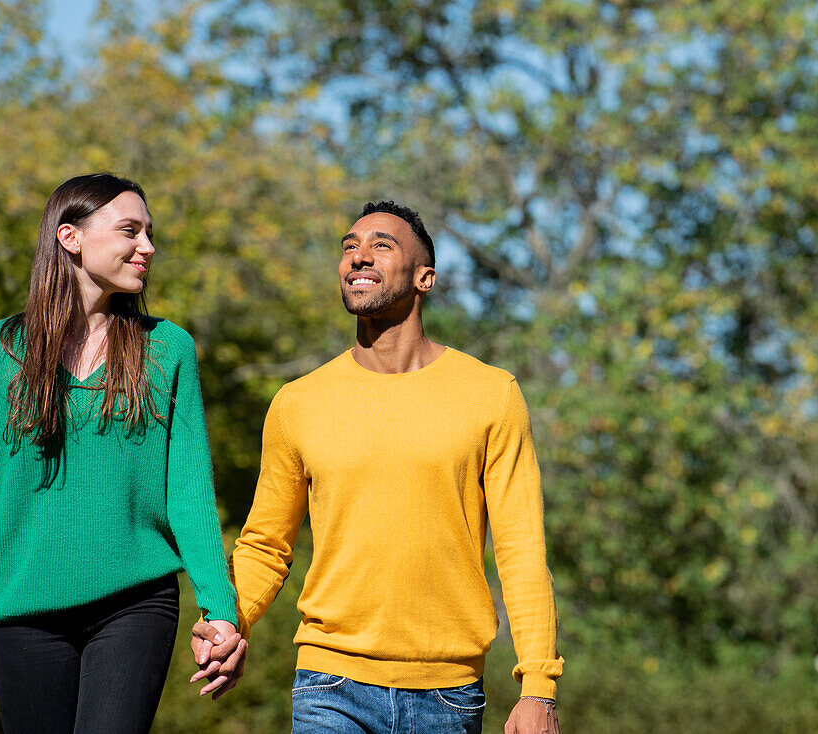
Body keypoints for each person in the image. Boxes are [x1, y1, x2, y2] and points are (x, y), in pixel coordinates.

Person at [191, 201, 563, 733]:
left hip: (450, 696)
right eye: (349, 247)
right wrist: (229, 618)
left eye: (381, 246)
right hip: (329, 685)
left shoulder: (491, 395)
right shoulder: (299, 403)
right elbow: (266, 546)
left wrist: (538, 688)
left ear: (424, 278)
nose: (358, 257)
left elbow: (521, 551)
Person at [0, 173, 243, 733]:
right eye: (130, 230)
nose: (148, 247)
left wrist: (221, 609)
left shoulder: (168, 349)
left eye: (150, 233)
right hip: (21, 610)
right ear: (70, 236)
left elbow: (189, 495)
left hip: (136, 602)